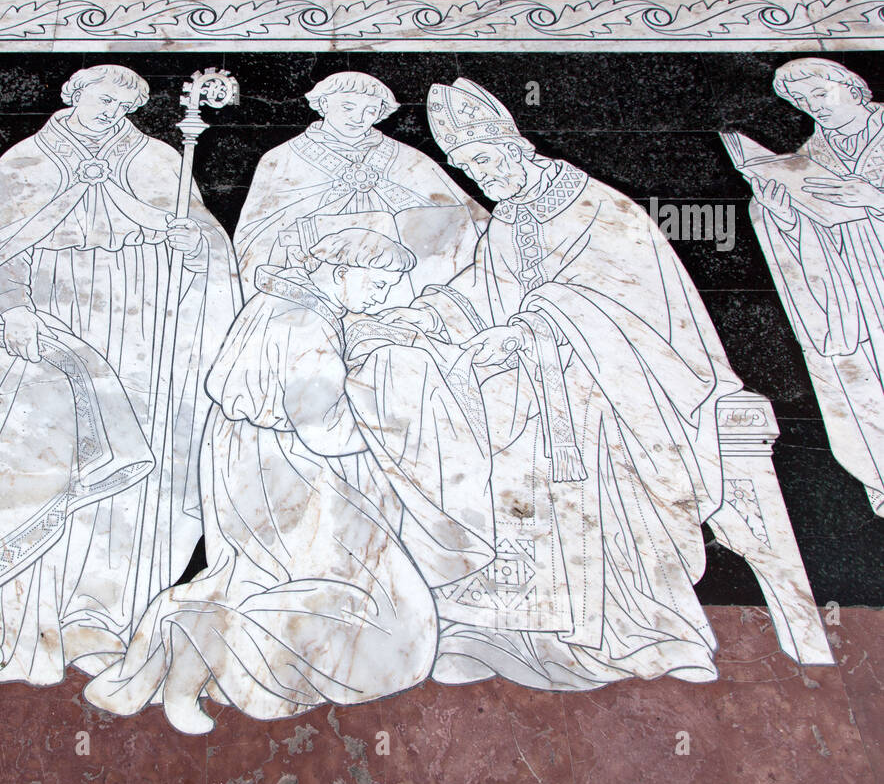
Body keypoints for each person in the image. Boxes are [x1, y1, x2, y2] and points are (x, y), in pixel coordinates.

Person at [382, 78, 743, 690]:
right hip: (530, 395)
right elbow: (483, 292)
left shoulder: (597, 207)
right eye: (467, 167)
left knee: (609, 498)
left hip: (612, 393)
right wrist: (423, 316)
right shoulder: (509, 221)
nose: (480, 175)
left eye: (485, 159)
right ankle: (524, 637)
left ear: (516, 145)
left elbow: (638, 303)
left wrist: (532, 327)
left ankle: (657, 634)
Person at [0, 65, 241, 693]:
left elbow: (207, 245)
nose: (113, 110)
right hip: (36, 326)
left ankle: (94, 622)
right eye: (103, 97)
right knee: (12, 466)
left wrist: (194, 247)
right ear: (73, 94)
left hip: (134, 332)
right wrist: (9, 309)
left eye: (126, 102)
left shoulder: (160, 160)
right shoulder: (26, 162)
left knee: (119, 492)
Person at [84, 217, 494, 733]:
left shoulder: (287, 306)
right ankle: (200, 649)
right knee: (365, 602)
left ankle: (191, 659)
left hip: (256, 462)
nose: (386, 295)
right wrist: (399, 413)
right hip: (290, 476)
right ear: (340, 269)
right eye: (380, 283)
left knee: (272, 581)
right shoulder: (306, 324)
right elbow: (327, 428)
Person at [745, 58, 884, 515]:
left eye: (819, 95)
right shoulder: (814, 154)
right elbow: (811, 226)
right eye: (800, 102)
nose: (812, 108)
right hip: (854, 296)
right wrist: (779, 209)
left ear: (852, 86)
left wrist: (876, 201)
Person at [233, 71, 484, 300]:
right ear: (323, 104)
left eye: (371, 110)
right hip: (315, 286)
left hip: (394, 288)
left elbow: (463, 216)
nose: (358, 118)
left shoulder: (408, 159)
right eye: (348, 107)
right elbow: (255, 233)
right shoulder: (282, 158)